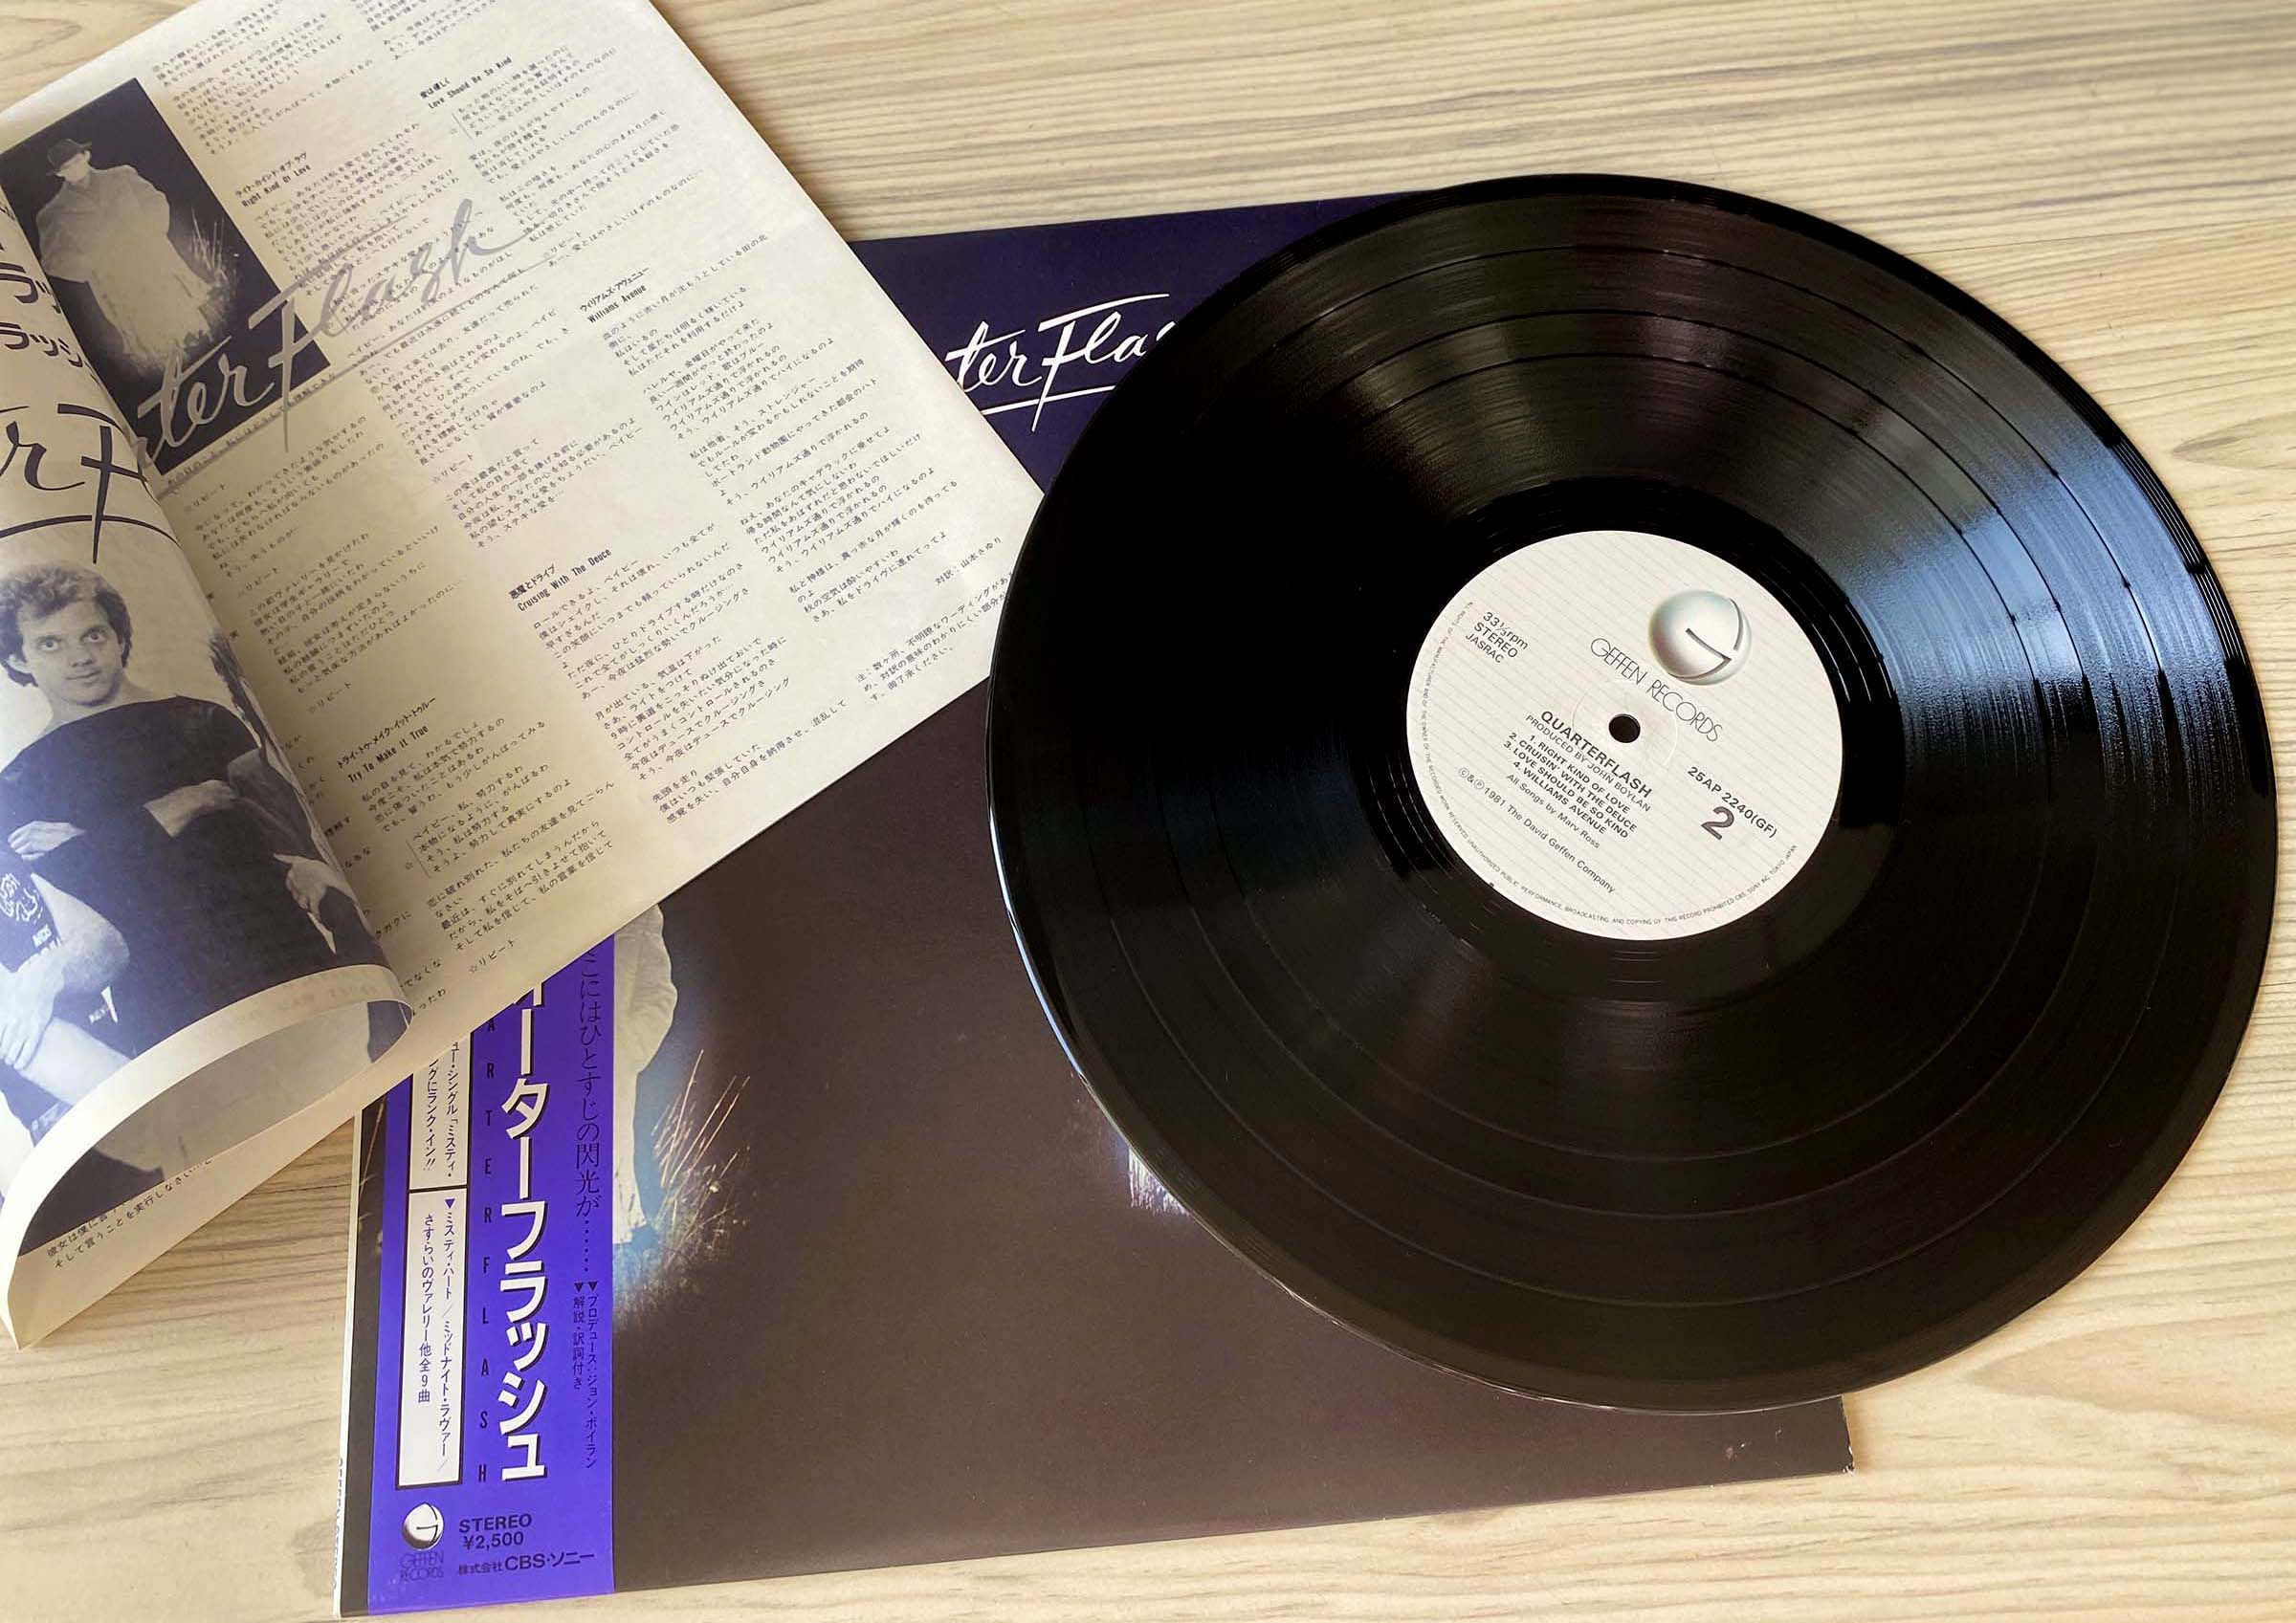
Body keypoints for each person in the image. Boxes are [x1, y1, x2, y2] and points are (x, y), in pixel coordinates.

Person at [0, 563, 365, 1056]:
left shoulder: (203, 720)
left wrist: (96, 844)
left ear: (119, 638)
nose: (80, 657)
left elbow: (275, 839)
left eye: (93, 635)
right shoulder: (19, 781)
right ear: (19, 659)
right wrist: (182, 804)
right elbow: (75, 896)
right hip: (163, 993)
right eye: (50, 644)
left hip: (278, 949)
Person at [30, 138, 213, 371]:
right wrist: (91, 266)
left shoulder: (121, 175)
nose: (75, 169)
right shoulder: (54, 213)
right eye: (67, 167)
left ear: (86, 156)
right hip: (116, 280)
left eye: (77, 161)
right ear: (59, 174)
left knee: (183, 314)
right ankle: (171, 368)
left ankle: (205, 350)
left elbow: (154, 200)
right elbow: (53, 260)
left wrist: (150, 232)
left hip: (152, 258)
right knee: (150, 330)